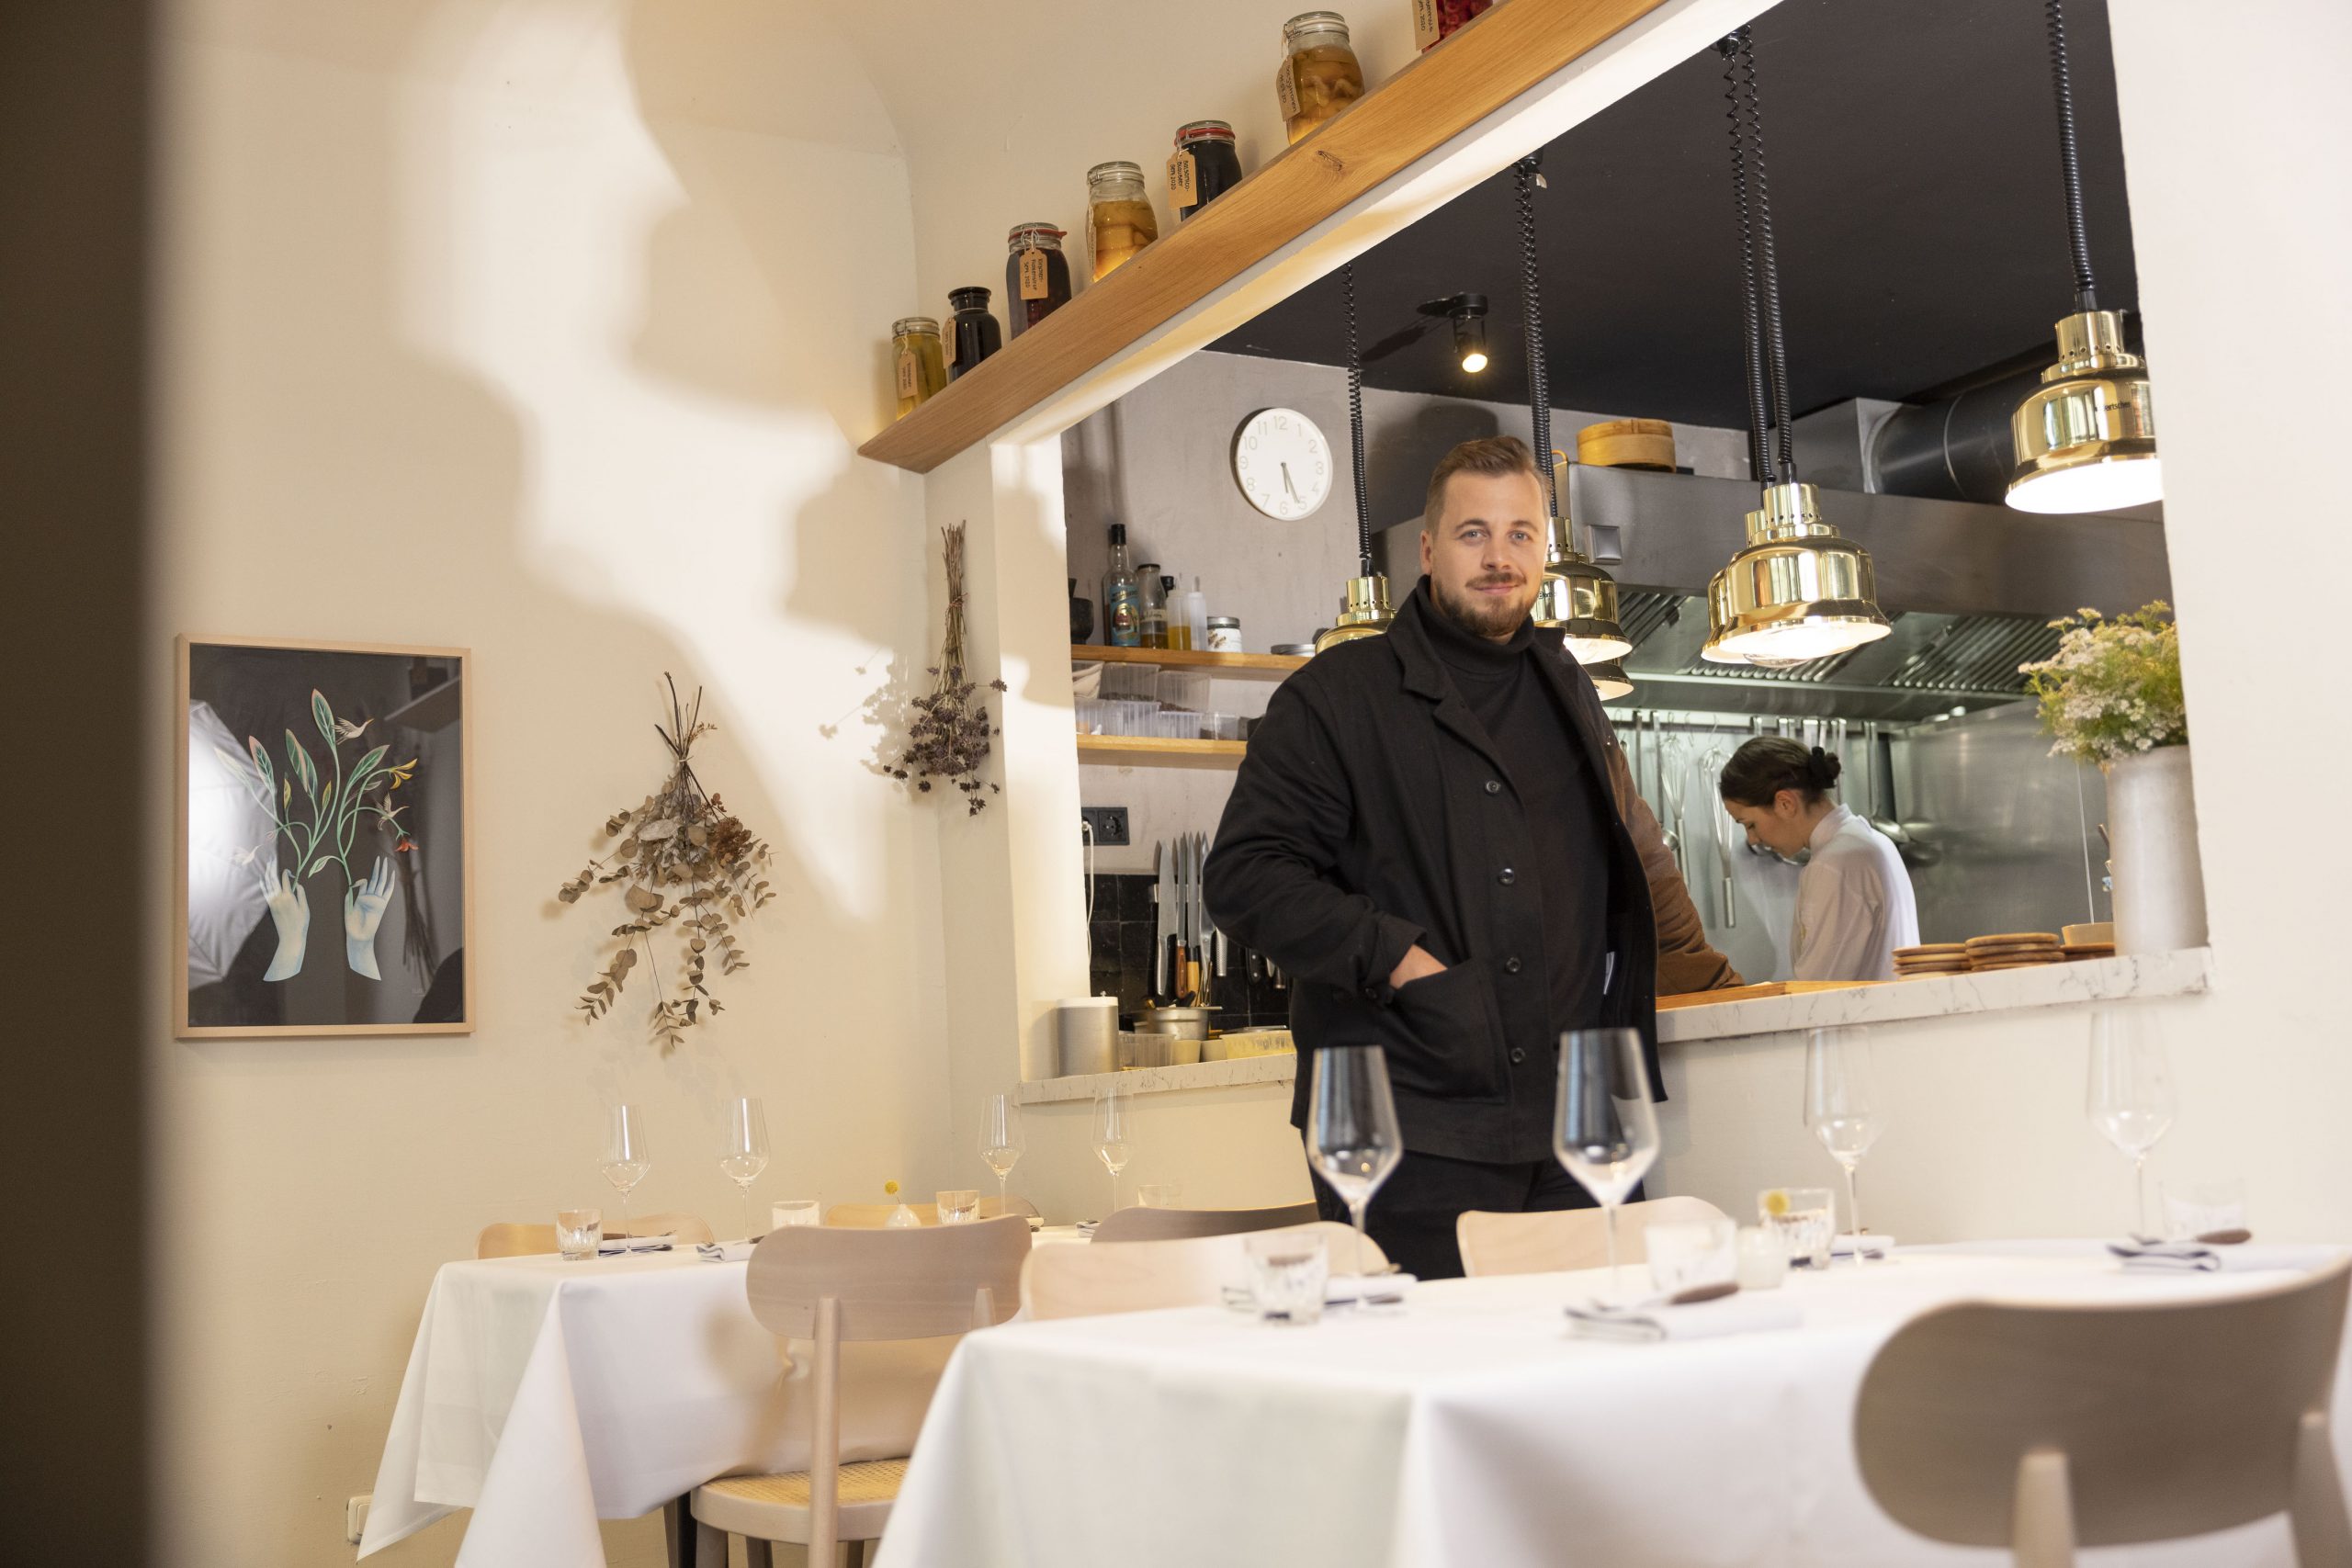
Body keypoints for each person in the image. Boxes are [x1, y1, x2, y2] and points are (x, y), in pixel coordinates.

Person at [1204, 435, 1738, 1280]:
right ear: (1427, 550)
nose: (1500, 558)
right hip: (1409, 1130)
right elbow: (1244, 874)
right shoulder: (1337, 695)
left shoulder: (1570, 688)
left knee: (1597, 1369)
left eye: (1521, 534)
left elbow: (1630, 856)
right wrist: (1399, 959)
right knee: (1425, 1375)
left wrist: (1700, 974)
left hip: (1574, 1126)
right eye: (1473, 534)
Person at [1717, 737, 1919, 982]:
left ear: (1785, 803)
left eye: (1750, 824)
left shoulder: (1834, 864)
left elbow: (1818, 991)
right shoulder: (1869, 840)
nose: (1752, 839)